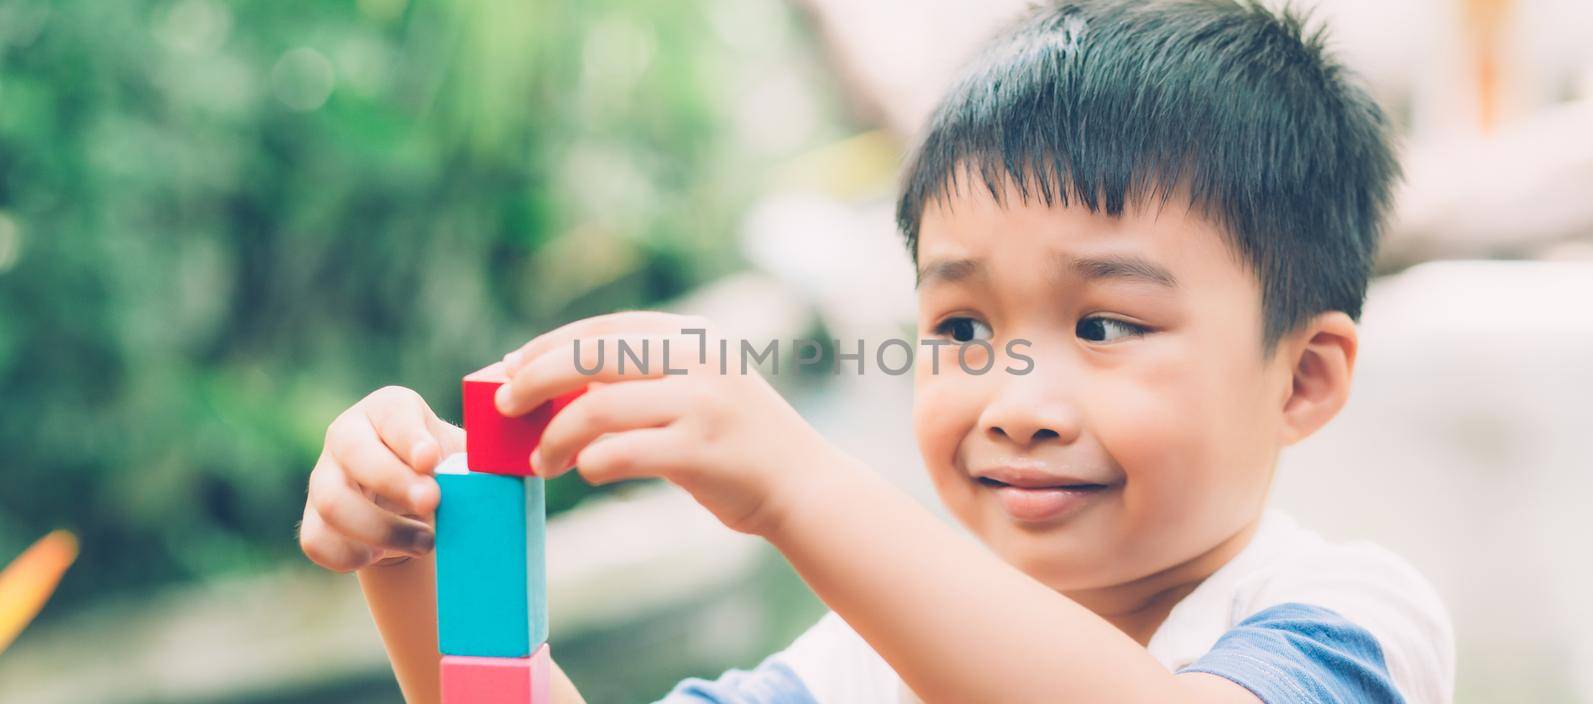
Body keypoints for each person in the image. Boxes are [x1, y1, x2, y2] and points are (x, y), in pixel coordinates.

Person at [297, 1, 1455, 701]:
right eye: (960, 327)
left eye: (1104, 324)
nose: (1015, 401)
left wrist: (800, 485)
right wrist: (426, 550)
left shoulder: (1344, 617)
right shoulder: (860, 664)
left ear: (1302, 376)